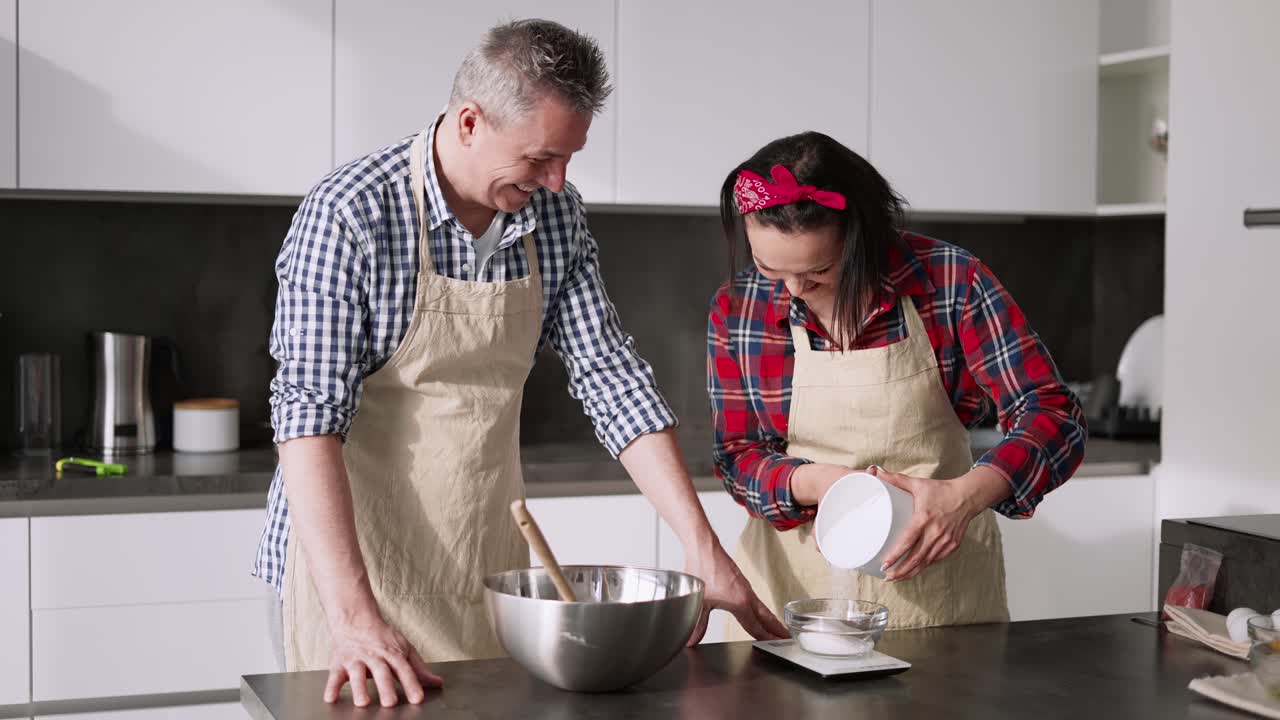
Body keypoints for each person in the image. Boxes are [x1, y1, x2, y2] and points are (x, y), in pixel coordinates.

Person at [255, 19, 785, 708]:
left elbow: (610, 375)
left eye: (569, 158)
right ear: (470, 121)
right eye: (540, 158)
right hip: (350, 576)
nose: (558, 179)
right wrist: (355, 620)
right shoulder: (352, 213)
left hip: (480, 557)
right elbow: (307, 422)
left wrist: (703, 548)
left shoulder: (555, 216)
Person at [706, 131, 1087, 638]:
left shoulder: (950, 282)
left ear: (863, 238)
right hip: (791, 601)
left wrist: (966, 497)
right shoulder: (739, 309)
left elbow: (1052, 414)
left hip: (940, 603)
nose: (794, 290)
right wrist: (816, 482)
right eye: (768, 266)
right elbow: (737, 454)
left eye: (818, 272)